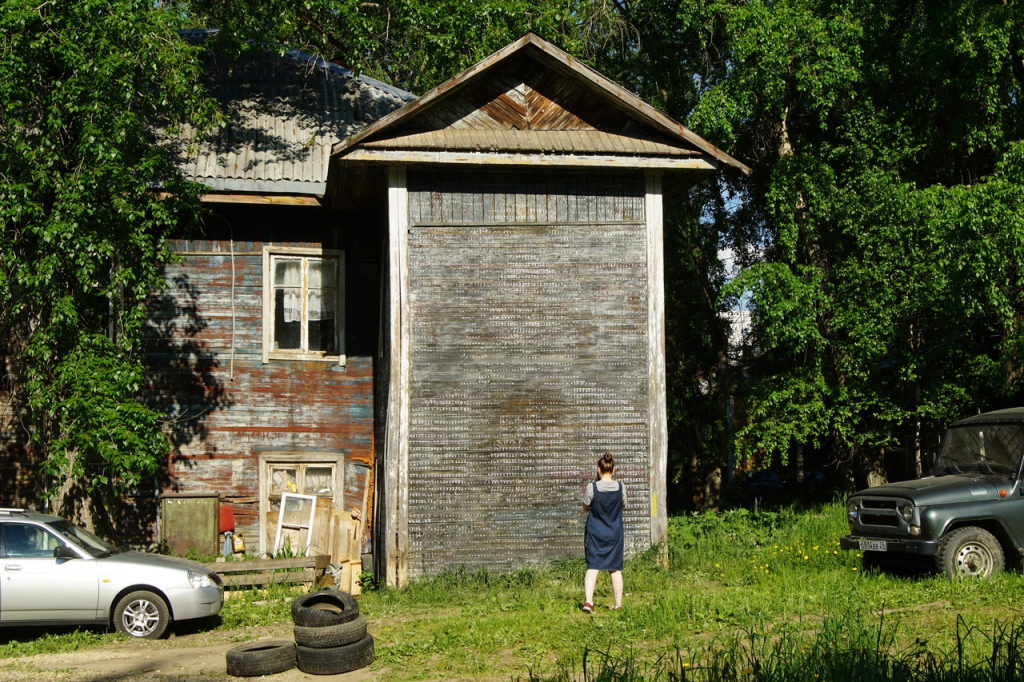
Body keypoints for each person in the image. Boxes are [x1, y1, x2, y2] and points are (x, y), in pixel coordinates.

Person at [582, 452, 626, 612]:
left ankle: (589, 602)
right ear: (613, 470)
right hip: (614, 532)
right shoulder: (621, 487)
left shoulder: (591, 488)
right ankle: (618, 603)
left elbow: (585, 506)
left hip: (595, 532)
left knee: (593, 566)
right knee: (614, 567)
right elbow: (623, 505)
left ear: (598, 470)